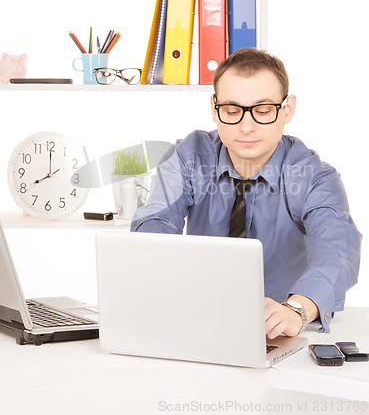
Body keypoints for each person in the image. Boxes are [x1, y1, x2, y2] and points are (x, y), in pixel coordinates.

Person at [131, 48, 361, 339]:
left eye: (263, 111)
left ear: (287, 109)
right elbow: (156, 222)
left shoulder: (316, 177)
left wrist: (296, 309)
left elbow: (337, 252)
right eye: (232, 111)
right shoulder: (189, 157)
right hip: (196, 323)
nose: (247, 126)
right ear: (215, 109)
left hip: (276, 332)